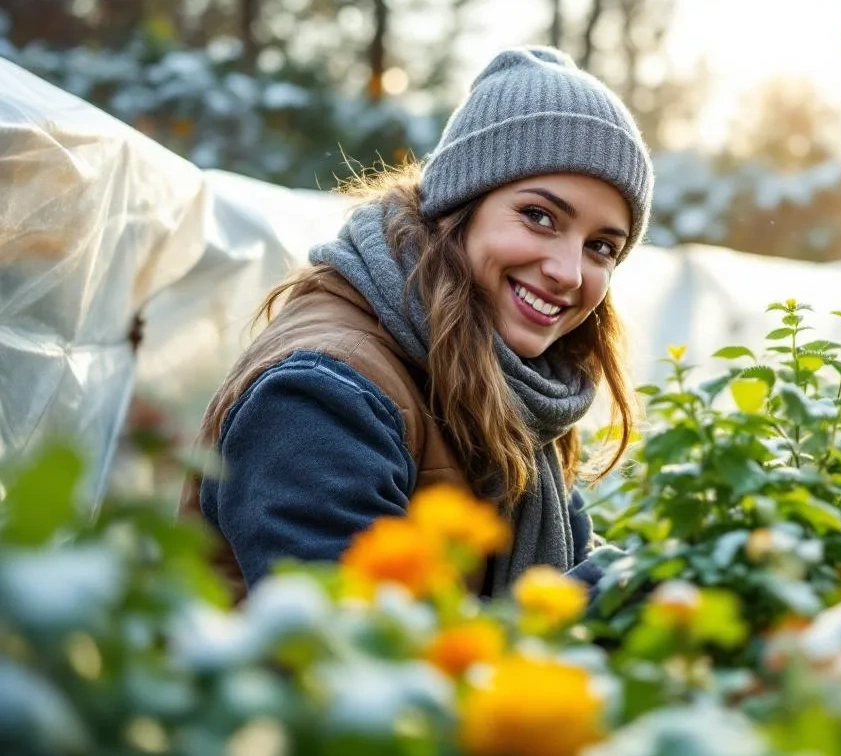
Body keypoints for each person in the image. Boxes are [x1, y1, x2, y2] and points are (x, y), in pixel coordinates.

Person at [179, 46, 652, 600]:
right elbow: (355, 656)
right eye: (539, 217)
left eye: (601, 247)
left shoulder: (516, 384)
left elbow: (565, 571)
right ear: (457, 207)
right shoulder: (320, 394)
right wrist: (594, 607)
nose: (569, 273)